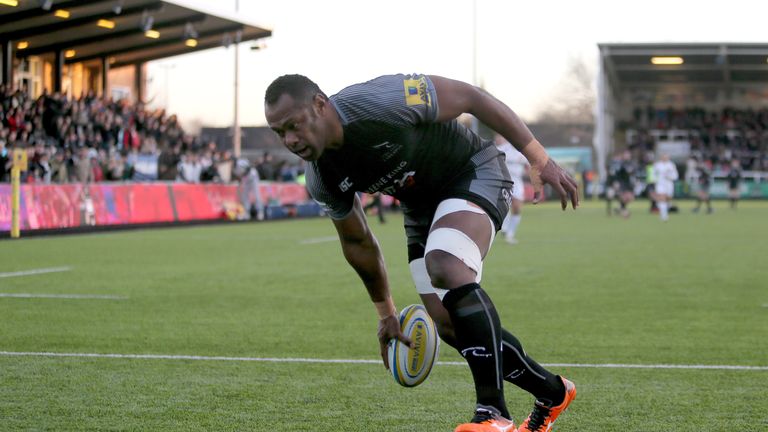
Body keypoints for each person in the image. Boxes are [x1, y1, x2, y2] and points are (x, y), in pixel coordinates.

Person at [265, 73, 579, 432]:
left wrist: (538, 157)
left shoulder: (380, 100)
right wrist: (386, 313)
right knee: (448, 323)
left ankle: (493, 414)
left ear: (319, 105)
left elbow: (471, 97)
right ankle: (553, 393)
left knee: (445, 266)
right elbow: (357, 241)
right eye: (280, 133)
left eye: (294, 125)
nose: (290, 140)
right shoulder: (320, 176)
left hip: (472, 170)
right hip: (420, 207)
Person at [494, 134, 529, 244]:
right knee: (504, 205)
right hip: (503, 181)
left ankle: (510, 234)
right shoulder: (502, 149)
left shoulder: (523, 151)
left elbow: (528, 166)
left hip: (517, 182)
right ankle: (504, 228)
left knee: (517, 208)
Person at [652, 153, 678, 222]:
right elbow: (653, 174)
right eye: (663, 157)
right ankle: (664, 215)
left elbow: (675, 176)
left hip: (669, 184)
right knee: (661, 197)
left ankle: (664, 208)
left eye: (666, 157)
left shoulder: (671, 165)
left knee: (668, 199)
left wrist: (669, 176)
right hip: (660, 184)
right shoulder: (657, 165)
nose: (665, 158)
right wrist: (655, 180)